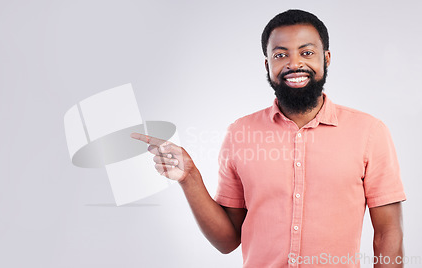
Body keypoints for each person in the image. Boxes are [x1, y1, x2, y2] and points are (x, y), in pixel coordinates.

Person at [131, 9, 406, 267]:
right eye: (280, 55)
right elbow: (227, 241)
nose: (294, 63)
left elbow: (388, 233)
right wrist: (189, 177)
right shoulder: (240, 133)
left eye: (307, 52)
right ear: (268, 64)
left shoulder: (369, 132)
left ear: (326, 58)